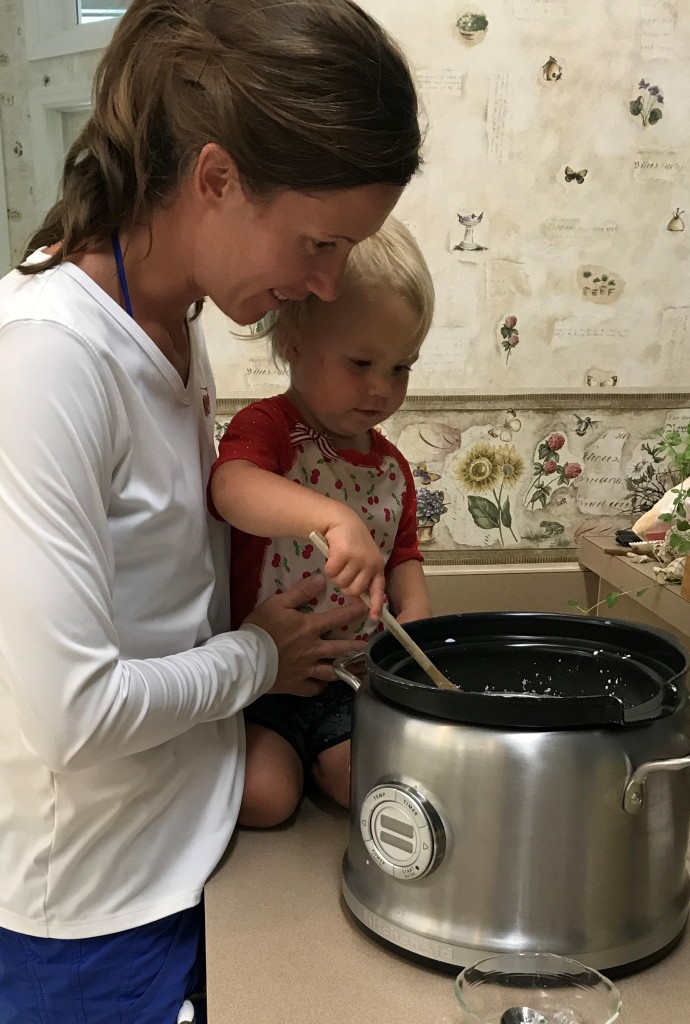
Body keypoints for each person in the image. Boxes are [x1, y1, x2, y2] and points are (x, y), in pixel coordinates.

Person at [0, 1, 422, 1021]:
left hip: (190, 856)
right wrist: (259, 659)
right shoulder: (49, 357)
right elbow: (73, 714)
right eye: (318, 244)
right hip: (90, 918)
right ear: (218, 180)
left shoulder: (176, 324)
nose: (322, 285)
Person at [210, 217, 434, 828]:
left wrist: (412, 627)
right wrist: (333, 517)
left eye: (401, 367)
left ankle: (321, 760)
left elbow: (403, 556)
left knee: (367, 786)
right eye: (361, 361)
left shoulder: (392, 467)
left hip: (351, 683)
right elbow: (230, 489)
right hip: (265, 679)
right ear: (293, 342)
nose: (381, 389)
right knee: (265, 801)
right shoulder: (271, 428)